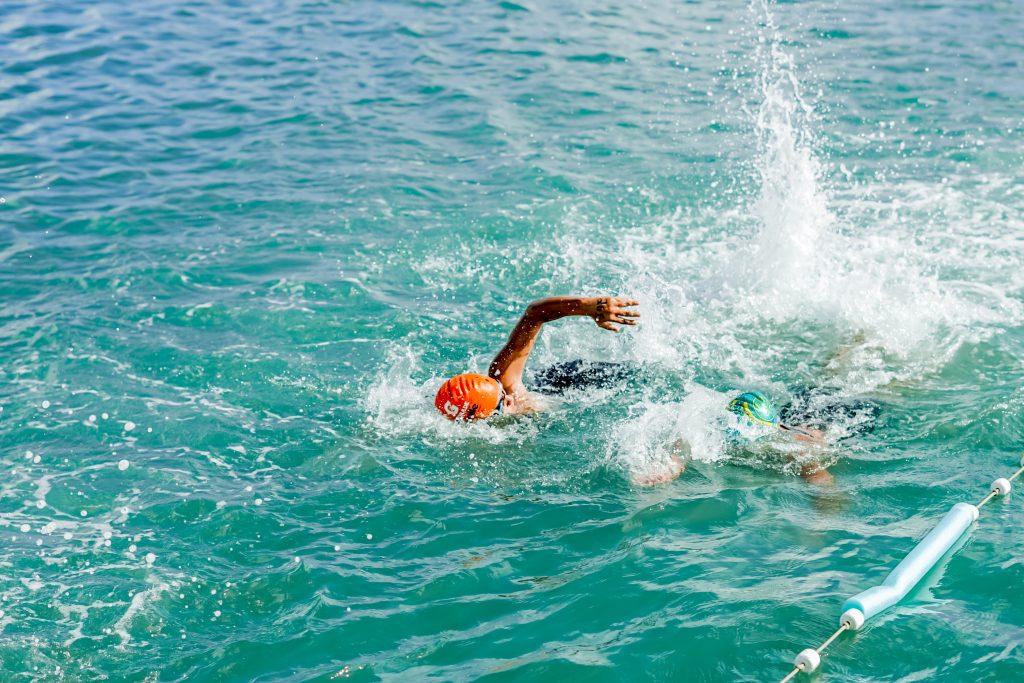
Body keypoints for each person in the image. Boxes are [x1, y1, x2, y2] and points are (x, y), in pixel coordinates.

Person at [435, 296, 640, 421]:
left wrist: (589, 306)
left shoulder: (505, 380)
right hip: (545, 382)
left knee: (642, 375)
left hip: (578, 379)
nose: (508, 399)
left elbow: (535, 314)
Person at [636, 390, 832, 486]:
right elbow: (689, 436)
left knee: (829, 382)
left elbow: (823, 484)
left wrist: (818, 526)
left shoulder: (789, 448)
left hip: (827, 411)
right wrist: (672, 467)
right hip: (794, 414)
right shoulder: (719, 427)